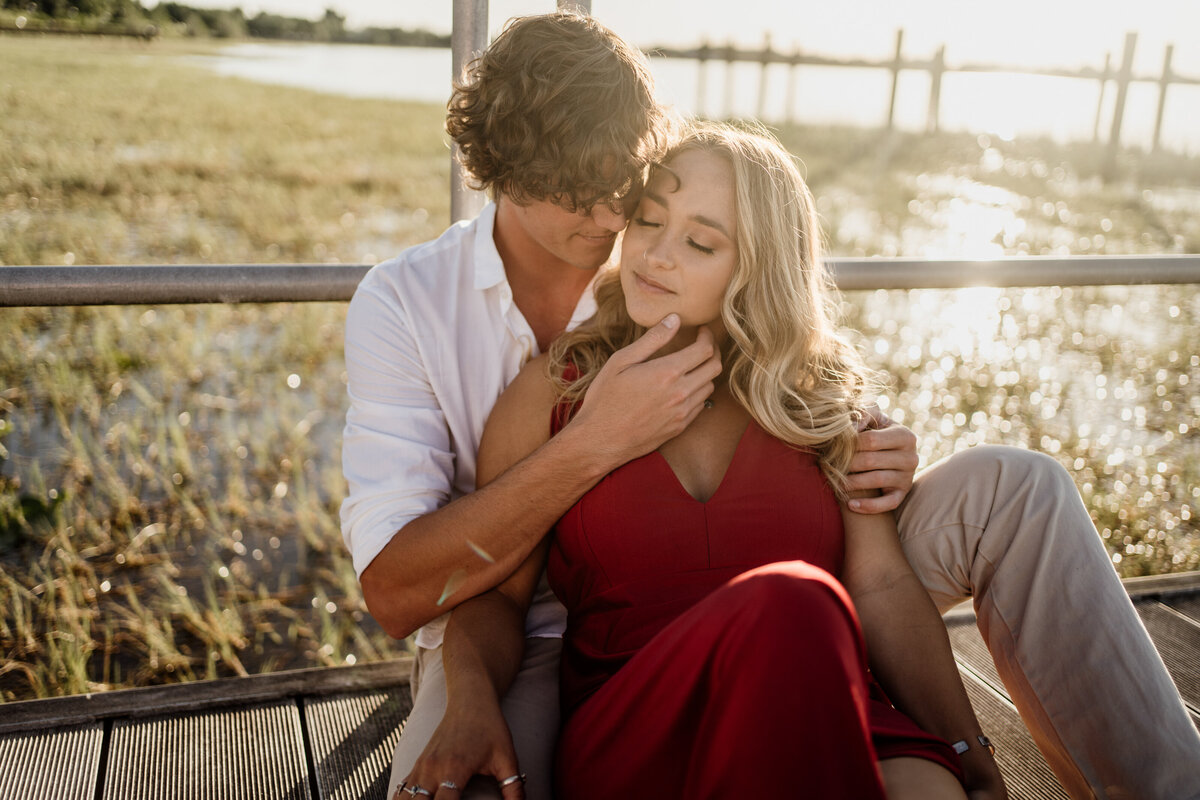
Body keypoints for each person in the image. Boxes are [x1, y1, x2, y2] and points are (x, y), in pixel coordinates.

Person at [340, 11, 1200, 800]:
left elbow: (878, 565)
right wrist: (596, 442)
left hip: (800, 626)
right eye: (607, 204)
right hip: (562, 646)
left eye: (629, 195)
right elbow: (416, 591)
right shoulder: (446, 322)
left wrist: (969, 753)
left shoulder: (756, 345)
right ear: (506, 175)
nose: (618, 225)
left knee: (1004, 505)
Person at [401, 121, 1010, 799]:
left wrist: (969, 745)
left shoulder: (816, 402)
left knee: (933, 790)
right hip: (640, 725)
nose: (655, 255)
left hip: (826, 709)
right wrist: (469, 700)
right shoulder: (558, 388)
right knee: (795, 600)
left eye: (699, 241)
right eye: (647, 221)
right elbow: (497, 597)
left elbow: (883, 589)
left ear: (757, 264)